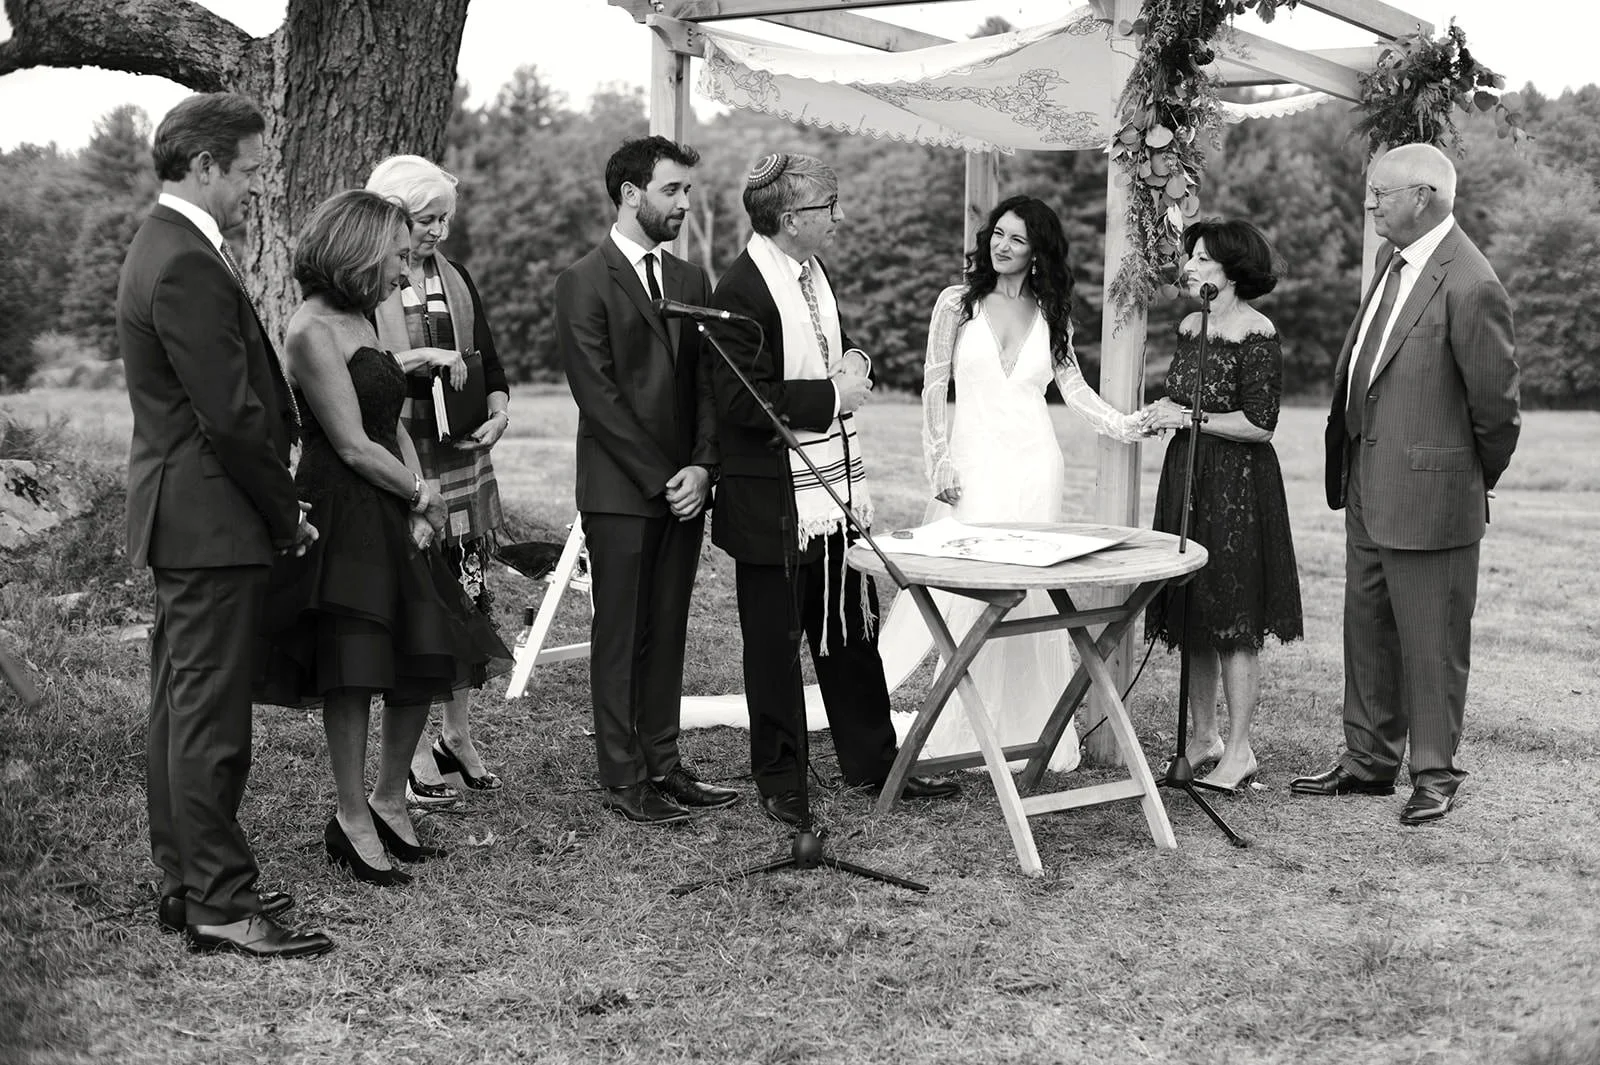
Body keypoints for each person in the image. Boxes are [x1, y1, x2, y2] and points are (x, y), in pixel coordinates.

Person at [118, 92, 330, 958]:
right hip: (210, 519)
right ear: (203, 166)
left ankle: (186, 879)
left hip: (189, 515)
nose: (254, 186)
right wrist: (286, 514)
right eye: (246, 170)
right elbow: (233, 417)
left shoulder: (171, 247)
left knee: (181, 707)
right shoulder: (185, 261)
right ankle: (218, 900)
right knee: (210, 719)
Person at [254, 190, 510, 884]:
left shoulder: (361, 314)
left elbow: (389, 417)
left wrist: (421, 492)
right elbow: (348, 442)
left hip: (396, 499)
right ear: (360, 249)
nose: (405, 271)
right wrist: (417, 492)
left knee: (422, 650)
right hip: (344, 506)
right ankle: (351, 816)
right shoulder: (310, 329)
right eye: (399, 255)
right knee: (355, 663)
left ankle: (391, 798)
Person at [707, 152, 959, 829]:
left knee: (850, 630)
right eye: (828, 210)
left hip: (833, 495)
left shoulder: (813, 271)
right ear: (790, 220)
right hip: (775, 501)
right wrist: (832, 394)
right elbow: (739, 399)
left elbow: (827, 348)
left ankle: (875, 762)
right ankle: (782, 780)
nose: (839, 219)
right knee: (775, 642)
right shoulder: (741, 286)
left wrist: (855, 363)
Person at [877, 194, 1149, 773]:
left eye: (1017, 238)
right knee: (966, 593)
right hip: (972, 465)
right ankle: (960, 720)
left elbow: (1072, 389)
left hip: (1034, 467)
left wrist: (1126, 425)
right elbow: (933, 388)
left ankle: (1025, 727)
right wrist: (939, 462)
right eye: (997, 232)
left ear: (1037, 251)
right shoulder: (956, 303)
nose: (1002, 244)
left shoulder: (1052, 311)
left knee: (1026, 598)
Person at [1290, 144, 1520, 825]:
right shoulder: (1396, 263)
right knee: (1367, 630)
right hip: (1367, 483)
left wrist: (1464, 476)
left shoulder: (1471, 283)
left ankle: (1434, 772)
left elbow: (1497, 410)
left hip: (1432, 495)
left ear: (1424, 196)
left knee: (1431, 640)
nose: (1368, 203)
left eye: (1378, 193)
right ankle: (1368, 761)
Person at [553, 135, 736, 825]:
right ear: (631, 195)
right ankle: (623, 776)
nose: (684, 203)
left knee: (669, 626)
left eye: (687, 190)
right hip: (621, 492)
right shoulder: (583, 279)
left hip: (686, 487)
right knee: (622, 632)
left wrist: (702, 466)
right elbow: (597, 396)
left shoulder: (692, 281)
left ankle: (664, 760)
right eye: (671, 190)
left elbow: (710, 384)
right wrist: (666, 477)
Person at [365, 155, 510, 804]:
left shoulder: (456, 277)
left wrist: (501, 405)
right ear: (392, 216)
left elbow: (491, 359)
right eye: (427, 220)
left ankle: (457, 735)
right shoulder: (368, 284)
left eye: (446, 219)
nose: (438, 233)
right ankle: (416, 748)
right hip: (408, 458)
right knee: (417, 608)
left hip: (462, 463)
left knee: (465, 598)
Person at [1140, 219, 1303, 793]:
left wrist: (1190, 418)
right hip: (1187, 477)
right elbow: (1187, 398)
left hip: (1237, 484)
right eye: (1192, 256)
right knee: (1194, 611)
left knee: (1234, 618)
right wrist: (1162, 412)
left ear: (1231, 272)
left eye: (1203, 258)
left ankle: (1240, 750)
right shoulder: (1190, 325)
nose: (1191, 265)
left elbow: (1261, 424)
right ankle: (1203, 736)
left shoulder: (1258, 333)